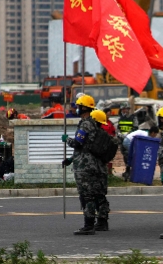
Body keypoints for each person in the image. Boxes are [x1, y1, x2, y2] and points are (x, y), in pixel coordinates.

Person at [63, 95, 109, 235]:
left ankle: (89, 225)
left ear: (83, 108)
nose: (76, 109)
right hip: (91, 164)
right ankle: (101, 222)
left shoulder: (85, 124)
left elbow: (78, 143)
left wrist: (67, 140)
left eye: (78, 106)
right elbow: (86, 147)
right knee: (96, 194)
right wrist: (71, 159)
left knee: (86, 195)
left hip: (85, 167)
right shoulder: (93, 124)